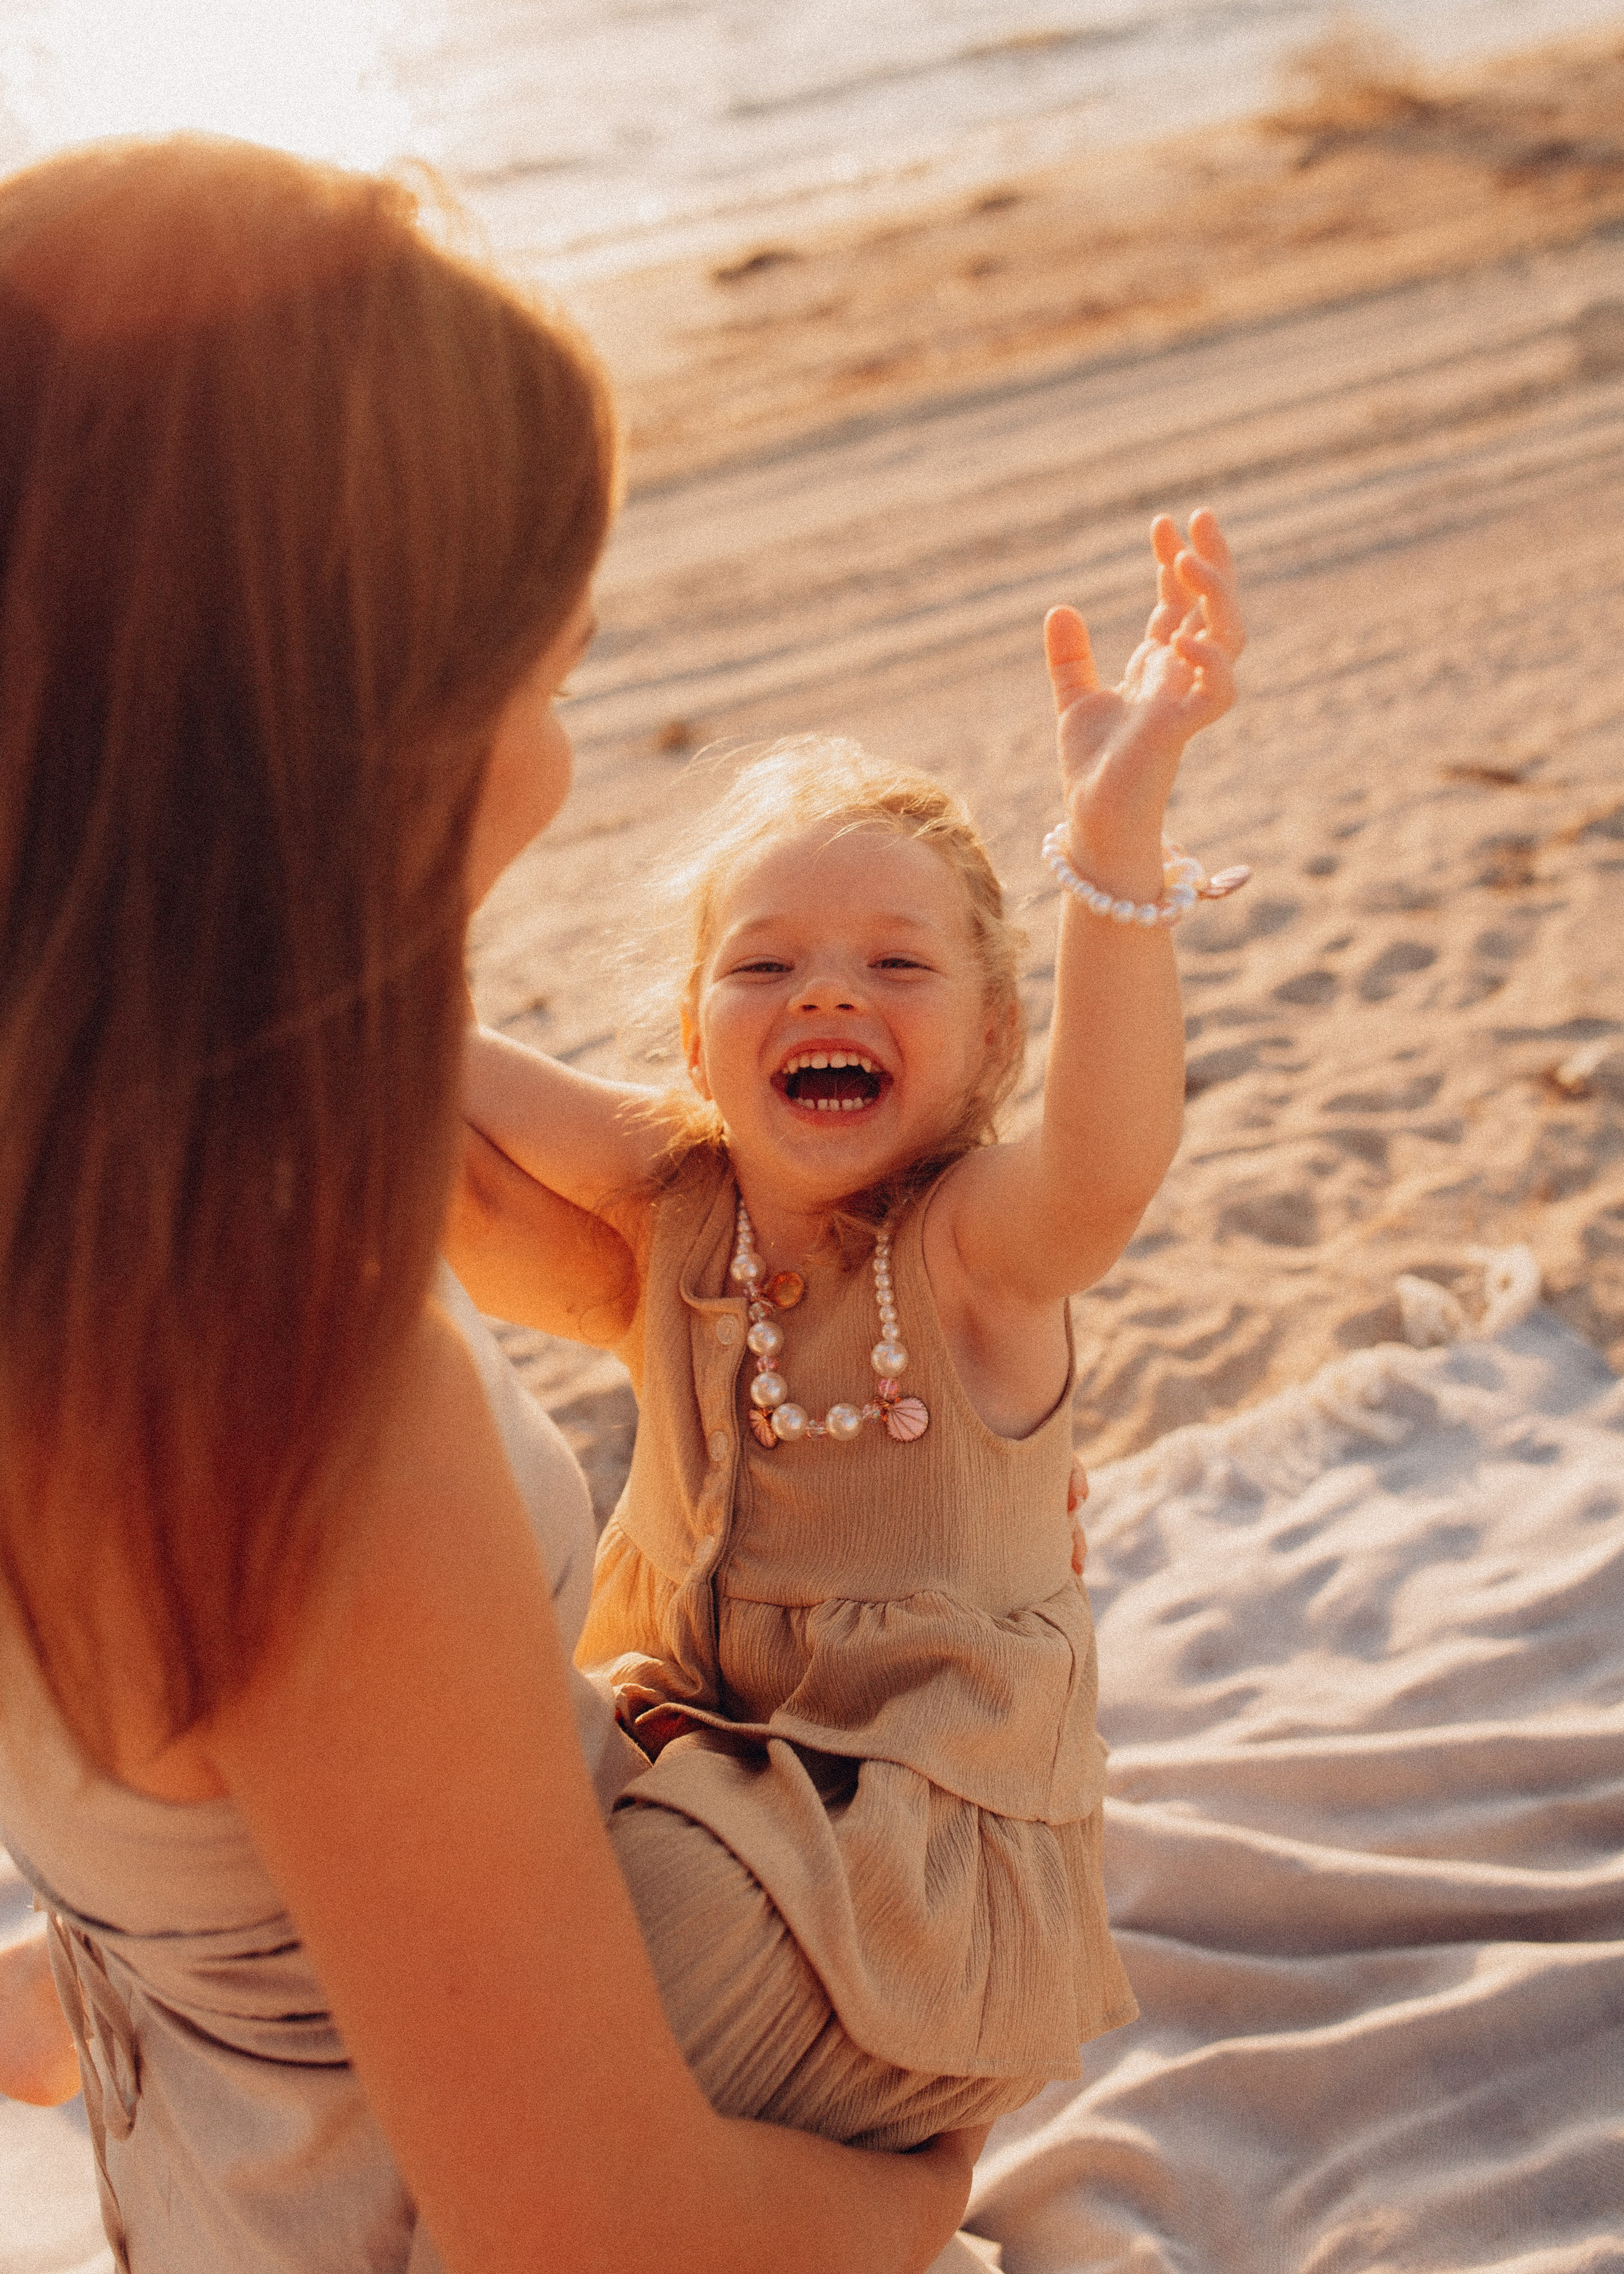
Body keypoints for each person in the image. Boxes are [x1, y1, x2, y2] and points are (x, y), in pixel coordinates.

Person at [0, 135, 990, 2273]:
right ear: (363, 742)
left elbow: (650, 1253)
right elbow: (586, 2226)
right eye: (540, 675)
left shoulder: (85, 1169)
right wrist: (929, 2192)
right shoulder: (308, 1416)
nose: (557, 753)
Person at [449, 511, 1246, 2144]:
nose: (826, 992)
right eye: (763, 966)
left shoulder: (972, 1257)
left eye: (894, 962)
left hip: (909, 1886)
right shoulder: (678, 1213)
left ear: (990, 1042)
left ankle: (873, 2202)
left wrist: (1115, 841)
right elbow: (421, 1071)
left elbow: (1105, 1164)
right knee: (427, 1843)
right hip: (687, 1767)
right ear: (694, 1041)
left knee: (545, 2009)